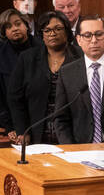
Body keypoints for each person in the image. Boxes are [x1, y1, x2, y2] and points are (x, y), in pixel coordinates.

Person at [53, 15, 104, 143]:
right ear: (79, 40)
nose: (93, 40)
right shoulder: (67, 72)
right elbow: (61, 119)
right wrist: (71, 149)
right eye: (87, 35)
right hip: (80, 149)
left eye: (98, 34)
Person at [8, 11, 78, 145]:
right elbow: (15, 99)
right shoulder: (27, 58)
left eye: (58, 29)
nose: (52, 33)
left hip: (72, 131)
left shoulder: (80, 57)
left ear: (67, 32)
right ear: (42, 35)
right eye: (47, 30)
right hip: (36, 131)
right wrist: (23, 131)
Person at [0, 9, 34, 139]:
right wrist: (9, 126)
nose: (14, 29)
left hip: (39, 119)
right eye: (8, 27)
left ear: (26, 25)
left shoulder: (41, 47)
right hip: (13, 121)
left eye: (18, 24)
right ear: (4, 32)